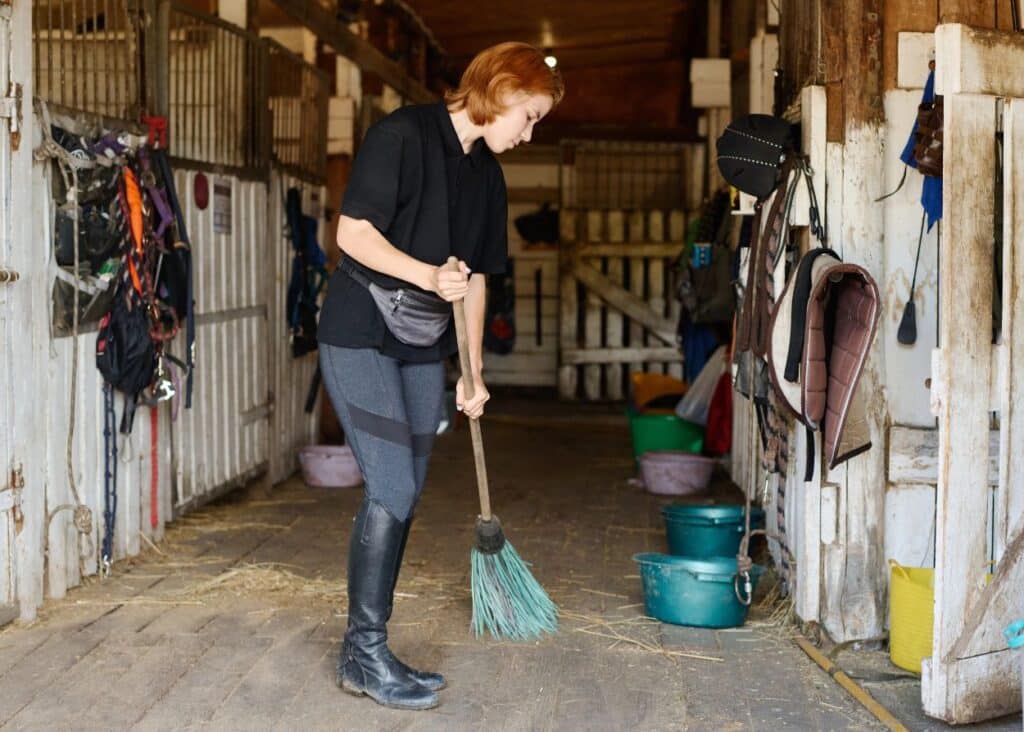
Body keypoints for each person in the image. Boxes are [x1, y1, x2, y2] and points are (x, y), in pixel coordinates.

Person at [316, 42, 563, 711]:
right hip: (361, 330)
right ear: (504, 92)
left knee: (409, 490)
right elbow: (352, 234)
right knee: (391, 486)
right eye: (531, 116)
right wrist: (427, 274)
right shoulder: (401, 136)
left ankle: (364, 651)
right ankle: (364, 653)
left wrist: (474, 372)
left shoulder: (486, 175)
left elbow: (476, 277)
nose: (529, 131)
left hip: (424, 342)